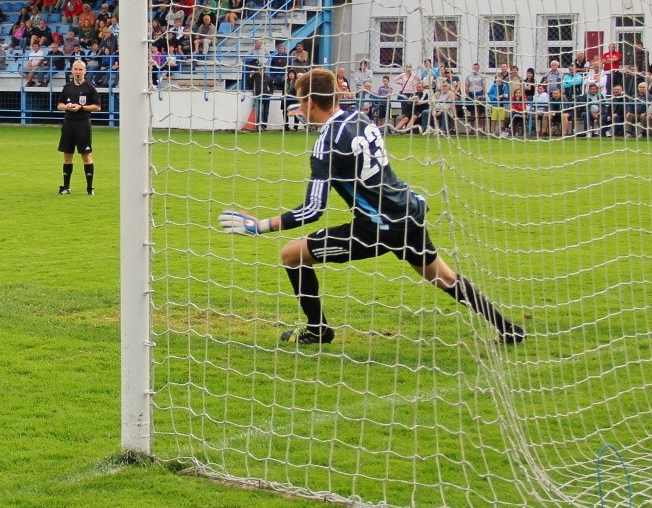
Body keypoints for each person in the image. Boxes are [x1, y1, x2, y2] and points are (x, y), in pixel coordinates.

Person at [217, 67, 523, 346]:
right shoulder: (360, 119)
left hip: (377, 227)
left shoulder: (327, 143)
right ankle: (507, 328)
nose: (298, 106)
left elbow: (313, 209)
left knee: (291, 255)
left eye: (299, 100)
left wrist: (260, 226)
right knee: (442, 277)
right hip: (408, 211)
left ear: (310, 101)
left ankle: (318, 329)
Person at [56, 59, 101, 195]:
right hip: (68, 124)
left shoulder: (90, 87)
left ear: (85, 71)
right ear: (72, 70)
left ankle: (90, 188)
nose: (78, 72)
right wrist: (67, 106)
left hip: (83, 124)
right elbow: (59, 105)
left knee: (86, 156)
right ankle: (66, 187)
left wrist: (81, 107)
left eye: (80, 69)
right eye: (76, 69)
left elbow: (97, 107)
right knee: (67, 156)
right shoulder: (67, 87)